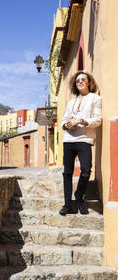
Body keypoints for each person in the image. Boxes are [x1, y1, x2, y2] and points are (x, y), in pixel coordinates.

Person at [59, 70, 102, 215]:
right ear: (75, 84)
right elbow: (63, 121)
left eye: (83, 79)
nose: (80, 82)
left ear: (89, 82)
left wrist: (81, 121)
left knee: (85, 169)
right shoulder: (71, 102)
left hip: (84, 139)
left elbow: (98, 119)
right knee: (67, 173)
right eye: (77, 81)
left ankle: (79, 196)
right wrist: (67, 125)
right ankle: (66, 204)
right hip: (69, 140)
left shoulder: (94, 98)